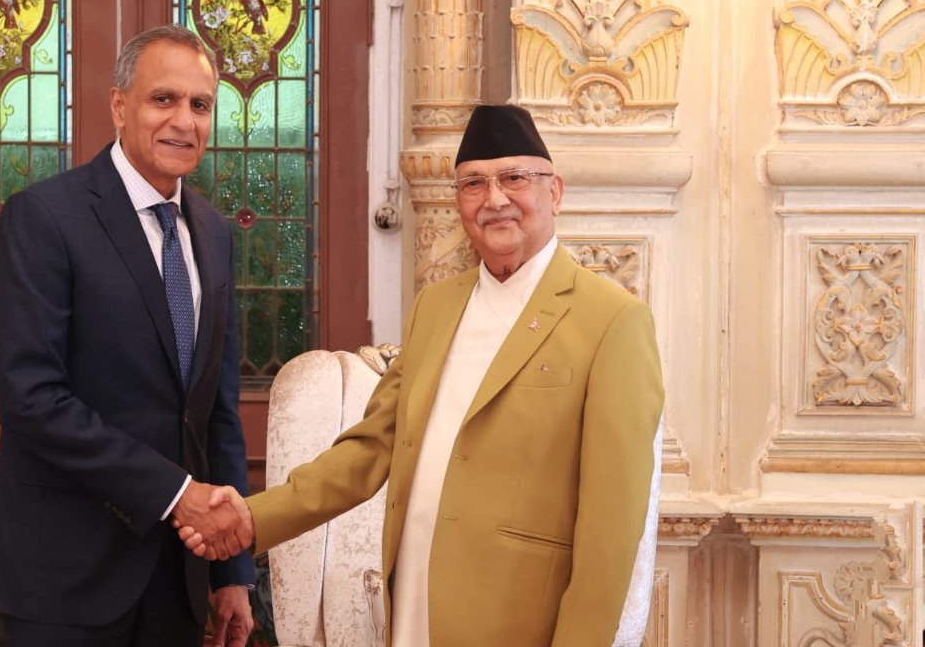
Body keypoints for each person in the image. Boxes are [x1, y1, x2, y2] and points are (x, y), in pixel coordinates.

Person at [180, 105, 665, 646]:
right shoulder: (436, 306)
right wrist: (252, 518)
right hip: (412, 606)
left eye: (514, 178)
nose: (494, 199)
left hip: (520, 623)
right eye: (473, 184)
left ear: (554, 192)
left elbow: (612, 529)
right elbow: (371, 448)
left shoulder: (612, 320)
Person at [0, 24, 254, 647]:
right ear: (119, 106)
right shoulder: (43, 217)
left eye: (200, 104)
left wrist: (231, 571)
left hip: (177, 582)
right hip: (64, 581)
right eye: (163, 99)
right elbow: (31, 400)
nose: (184, 121)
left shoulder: (212, 233)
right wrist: (176, 495)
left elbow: (216, 414)